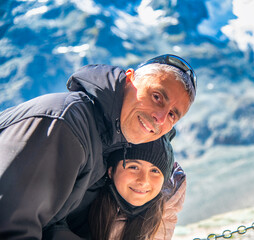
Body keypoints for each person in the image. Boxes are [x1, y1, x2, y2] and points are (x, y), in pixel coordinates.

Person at [0, 54, 196, 239]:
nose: (160, 118)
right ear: (129, 79)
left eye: (172, 115)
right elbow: (10, 227)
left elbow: (54, 224)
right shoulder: (65, 125)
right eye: (157, 97)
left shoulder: (108, 143)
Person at [88, 131, 186, 240]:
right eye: (133, 167)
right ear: (111, 171)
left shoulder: (164, 213)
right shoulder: (86, 196)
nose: (143, 181)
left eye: (155, 170)